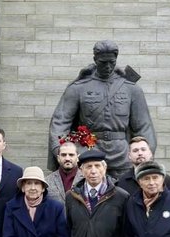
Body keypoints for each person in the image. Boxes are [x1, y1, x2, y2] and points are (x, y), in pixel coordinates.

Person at [49, 40, 157, 180]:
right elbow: (60, 122)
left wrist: (147, 156)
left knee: (125, 196)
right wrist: (62, 152)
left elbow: (144, 126)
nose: (107, 66)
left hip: (122, 156)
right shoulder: (78, 88)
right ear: (95, 59)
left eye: (111, 62)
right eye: (103, 62)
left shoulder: (131, 89)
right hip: (88, 153)